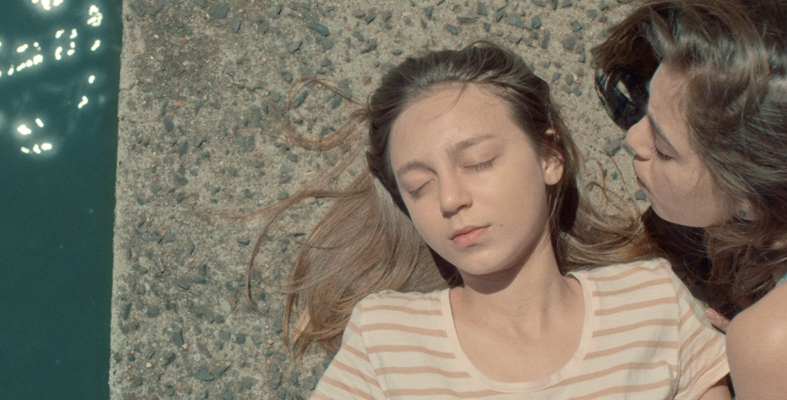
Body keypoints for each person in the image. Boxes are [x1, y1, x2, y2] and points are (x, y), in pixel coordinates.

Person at [247, 42, 730, 398]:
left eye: (477, 162)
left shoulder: (652, 301)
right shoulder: (384, 339)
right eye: (419, 186)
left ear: (549, 156)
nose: (450, 199)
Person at [592, 0, 787, 398]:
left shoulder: (770, 342)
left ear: (750, 199)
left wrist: (764, 355)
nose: (632, 139)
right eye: (646, 105)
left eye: (664, 150)